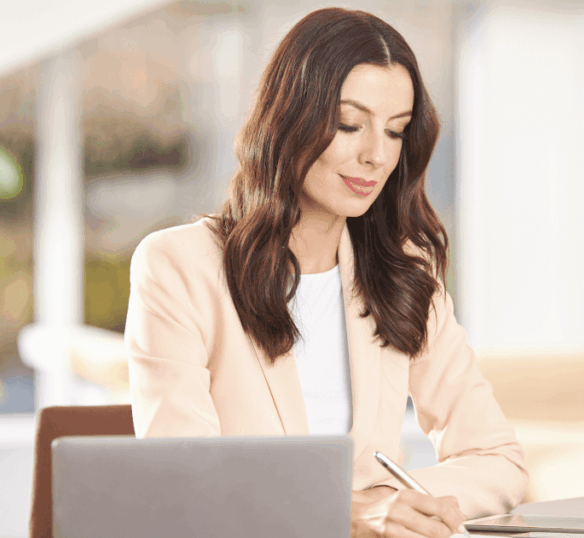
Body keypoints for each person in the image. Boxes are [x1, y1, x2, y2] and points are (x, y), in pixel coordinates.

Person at [124, 7, 528, 538]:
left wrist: (394, 503)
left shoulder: (405, 272)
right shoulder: (178, 266)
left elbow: (498, 458)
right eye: (348, 124)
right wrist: (342, 509)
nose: (375, 156)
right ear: (290, 116)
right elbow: (182, 482)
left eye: (395, 131)